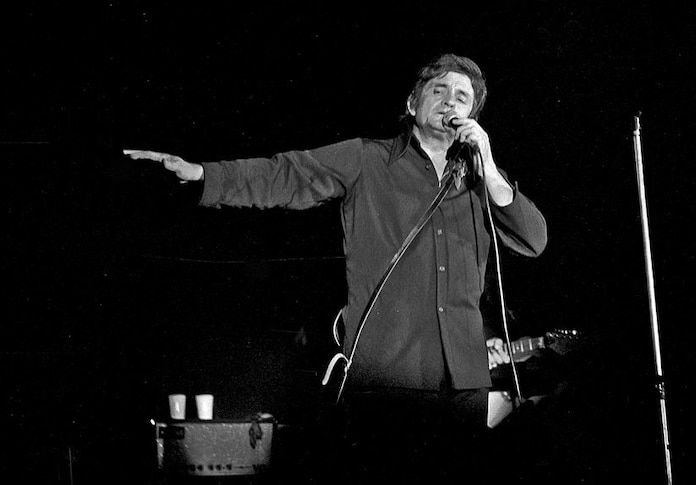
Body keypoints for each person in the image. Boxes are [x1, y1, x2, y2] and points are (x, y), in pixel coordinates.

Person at [126, 53, 547, 483]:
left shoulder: (481, 182)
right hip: (386, 379)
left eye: (462, 97)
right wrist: (202, 174)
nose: (449, 102)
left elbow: (534, 240)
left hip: (465, 384)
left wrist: (489, 166)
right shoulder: (368, 159)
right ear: (411, 104)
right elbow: (287, 174)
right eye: (438, 90)